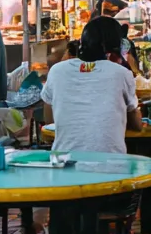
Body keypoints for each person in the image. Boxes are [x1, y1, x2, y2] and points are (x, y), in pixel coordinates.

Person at [41, 16, 142, 154]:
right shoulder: (121, 73)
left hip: (64, 165)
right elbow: (136, 125)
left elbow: (49, 115)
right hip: (111, 167)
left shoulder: (57, 71)